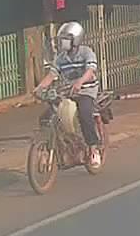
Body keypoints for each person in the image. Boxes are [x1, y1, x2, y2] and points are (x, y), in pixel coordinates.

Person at [34, 21, 102, 168]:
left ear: (75, 40)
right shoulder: (60, 58)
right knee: (47, 117)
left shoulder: (86, 52)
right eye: (62, 39)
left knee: (84, 114)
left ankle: (93, 149)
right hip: (67, 92)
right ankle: (47, 150)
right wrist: (40, 87)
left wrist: (80, 82)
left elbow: (90, 71)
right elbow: (52, 75)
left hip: (86, 90)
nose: (62, 42)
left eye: (66, 39)